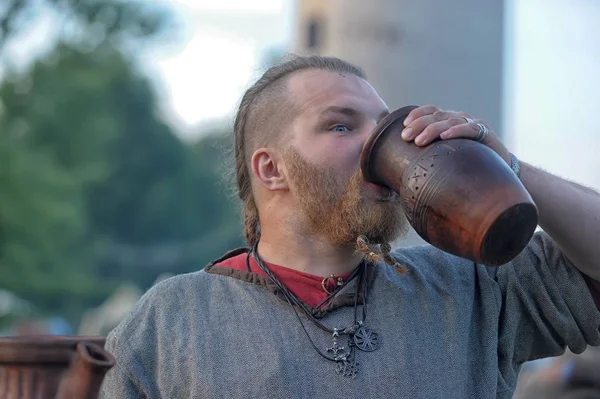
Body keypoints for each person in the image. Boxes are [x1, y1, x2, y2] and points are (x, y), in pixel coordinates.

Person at [99, 55, 600, 398]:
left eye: (381, 124)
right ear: (271, 169)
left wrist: (507, 165)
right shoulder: (169, 321)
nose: (376, 144)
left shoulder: (469, 284)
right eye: (341, 125)